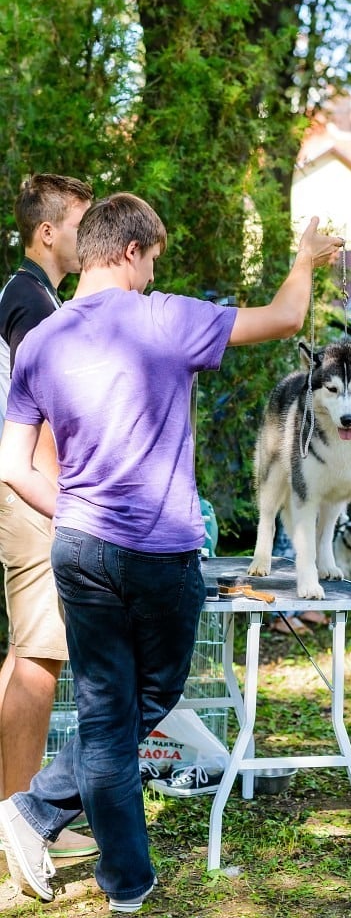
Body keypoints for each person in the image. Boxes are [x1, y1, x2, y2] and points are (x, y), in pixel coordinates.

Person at [0, 193, 343, 909]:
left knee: (105, 711)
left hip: (78, 546)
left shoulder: (42, 340)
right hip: (158, 552)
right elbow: (284, 319)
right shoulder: (165, 317)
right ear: (129, 250)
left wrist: (72, 513)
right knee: (144, 700)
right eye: (152, 258)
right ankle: (58, 829)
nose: (155, 273)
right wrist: (305, 261)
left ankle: (98, 862)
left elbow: (12, 462)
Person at [0, 174, 98, 859]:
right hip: (32, 491)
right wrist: (69, 497)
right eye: (81, 225)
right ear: (48, 231)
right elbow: (45, 410)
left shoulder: (33, 293)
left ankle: (10, 807)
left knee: (23, 657)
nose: (89, 239)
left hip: (26, 487)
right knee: (40, 660)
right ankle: (21, 825)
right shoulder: (30, 301)